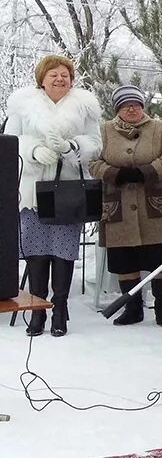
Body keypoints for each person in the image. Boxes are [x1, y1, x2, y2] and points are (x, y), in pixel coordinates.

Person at [5, 55, 102, 337]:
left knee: (63, 252)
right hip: (33, 191)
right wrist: (34, 150)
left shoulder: (84, 106)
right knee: (36, 251)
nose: (60, 79)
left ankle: (59, 308)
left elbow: (95, 144)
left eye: (65, 74)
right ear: (41, 79)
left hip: (67, 193)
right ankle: (38, 309)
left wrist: (72, 146)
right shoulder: (23, 105)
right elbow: (11, 141)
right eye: (53, 75)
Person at [90, 85, 162, 327]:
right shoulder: (103, 131)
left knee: (160, 259)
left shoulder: (160, 128)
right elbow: (92, 162)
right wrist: (113, 174)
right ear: (117, 108)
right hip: (117, 204)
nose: (131, 108)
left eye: (136, 104)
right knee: (124, 260)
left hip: (153, 203)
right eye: (125, 104)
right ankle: (132, 308)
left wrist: (146, 172)